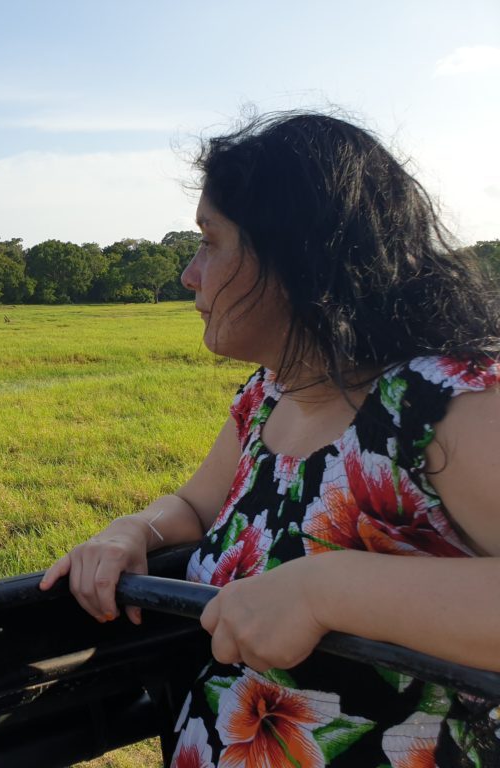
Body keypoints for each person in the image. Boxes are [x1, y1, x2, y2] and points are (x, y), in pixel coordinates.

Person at [40, 111, 500, 767]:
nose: (189, 275)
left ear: (295, 254)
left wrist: (326, 591)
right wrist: (132, 532)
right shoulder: (270, 396)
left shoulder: (448, 401)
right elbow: (198, 508)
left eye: (211, 243)